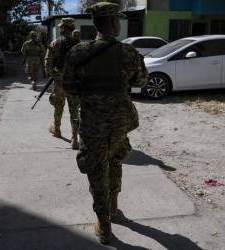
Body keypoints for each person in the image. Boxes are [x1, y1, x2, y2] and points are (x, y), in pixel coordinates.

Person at [62, 2, 148, 245]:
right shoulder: (128, 52)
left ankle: (104, 224)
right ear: (112, 23)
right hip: (120, 122)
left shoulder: (79, 52)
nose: (119, 24)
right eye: (118, 20)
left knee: (97, 169)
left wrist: (89, 94)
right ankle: (112, 208)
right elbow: (141, 81)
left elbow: (67, 85)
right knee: (115, 161)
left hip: (93, 123)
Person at [45, 18, 80, 149]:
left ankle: (57, 130)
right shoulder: (79, 44)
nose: (59, 29)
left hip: (60, 84)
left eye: (60, 27)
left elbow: (47, 66)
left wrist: (57, 76)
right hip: (74, 83)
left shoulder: (55, 44)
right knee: (74, 111)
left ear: (64, 28)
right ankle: (75, 139)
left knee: (58, 107)